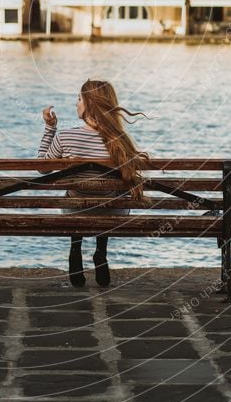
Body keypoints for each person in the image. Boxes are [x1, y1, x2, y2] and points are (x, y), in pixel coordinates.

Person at [38, 79, 151, 289]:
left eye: (79, 99)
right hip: (111, 214)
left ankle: (75, 249)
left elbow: (42, 168)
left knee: (76, 195)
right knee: (108, 196)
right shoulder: (120, 140)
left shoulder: (66, 136)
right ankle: (101, 252)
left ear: (89, 103)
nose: (76, 103)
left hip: (75, 213)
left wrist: (49, 128)